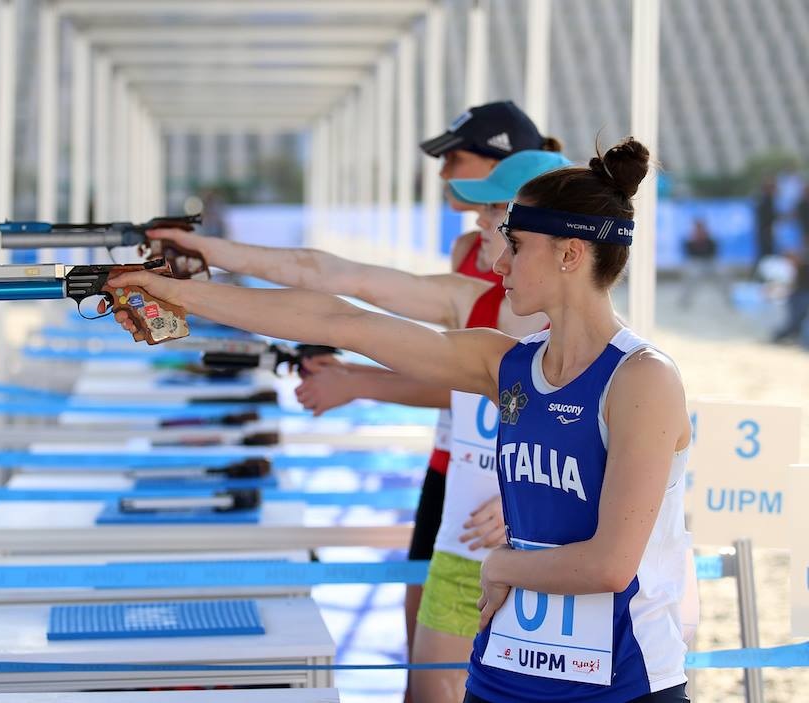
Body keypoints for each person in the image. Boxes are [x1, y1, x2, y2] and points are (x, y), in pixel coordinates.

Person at [108, 136, 692, 703]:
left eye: (515, 244)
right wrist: (177, 295)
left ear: (570, 253)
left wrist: (502, 563)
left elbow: (611, 565)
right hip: (506, 670)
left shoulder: (642, 378)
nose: (497, 259)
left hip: (620, 682)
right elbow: (338, 319)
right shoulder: (505, 361)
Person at [144, 101, 559, 702]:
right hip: (471, 511)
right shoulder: (474, 295)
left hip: (524, 531)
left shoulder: (620, 358)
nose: (482, 227)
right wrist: (190, 274)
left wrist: (529, 488)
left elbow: (606, 444)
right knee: (432, 679)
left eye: (498, 213)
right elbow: (333, 293)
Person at [295, 150, 570, 703]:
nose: (447, 175)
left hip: (507, 510)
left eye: (493, 204)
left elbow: (583, 427)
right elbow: (347, 301)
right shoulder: (477, 266)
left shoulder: (590, 334)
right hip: (463, 483)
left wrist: (358, 381)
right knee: (429, 657)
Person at [676, 218, 729, 308]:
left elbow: (714, 254)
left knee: (723, 273)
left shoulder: (711, 241)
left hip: (710, 263)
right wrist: (696, 242)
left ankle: (729, 299)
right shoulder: (689, 241)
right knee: (690, 275)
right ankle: (685, 301)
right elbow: (689, 255)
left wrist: (704, 243)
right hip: (696, 263)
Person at [771, 250, 809, 345]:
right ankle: (780, 337)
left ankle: (790, 338)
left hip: (800, 296)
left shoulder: (803, 267)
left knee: (797, 321)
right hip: (798, 296)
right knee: (795, 321)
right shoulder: (799, 268)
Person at [752, 177, 777, 278]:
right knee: (766, 257)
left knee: (765, 257)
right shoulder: (766, 201)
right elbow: (768, 218)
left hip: (764, 233)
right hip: (765, 233)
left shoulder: (764, 200)